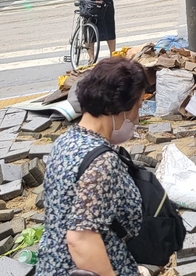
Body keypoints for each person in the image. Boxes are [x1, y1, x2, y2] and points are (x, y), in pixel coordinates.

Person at [36, 57, 146, 276]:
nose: (138, 116)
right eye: (139, 106)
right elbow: (81, 239)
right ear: (120, 107)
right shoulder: (102, 161)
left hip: (51, 265)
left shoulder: (66, 141)